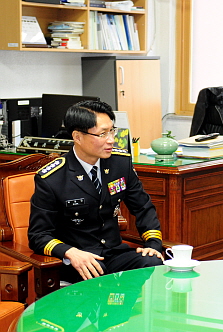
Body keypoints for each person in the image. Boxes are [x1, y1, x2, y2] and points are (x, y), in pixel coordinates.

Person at [28, 100, 164, 283]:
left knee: (153, 261)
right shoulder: (52, 178)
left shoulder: (120, 163)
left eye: (112, 131)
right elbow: (38, 235)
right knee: (98, 280)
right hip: (79, 260)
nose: (111, 139)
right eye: (102, 134)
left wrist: (153, 244)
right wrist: (70, 252)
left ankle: (124, 309)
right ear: (77, 136)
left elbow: (143, 207)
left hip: (114, 253)